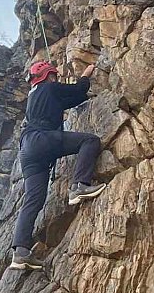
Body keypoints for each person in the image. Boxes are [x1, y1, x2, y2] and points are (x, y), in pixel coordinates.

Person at [9, 61, 106, 270]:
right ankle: (79, 185)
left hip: (27, 150)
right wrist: (86, 75)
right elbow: (79, 88)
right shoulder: (49, 87)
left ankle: (20, 252)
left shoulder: (34, 96)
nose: (56, 78)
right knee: (89, 141)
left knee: (33, 199)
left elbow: (71, 99)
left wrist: (84, 96)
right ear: (47, 76)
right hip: (41, 139)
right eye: (53, 75)